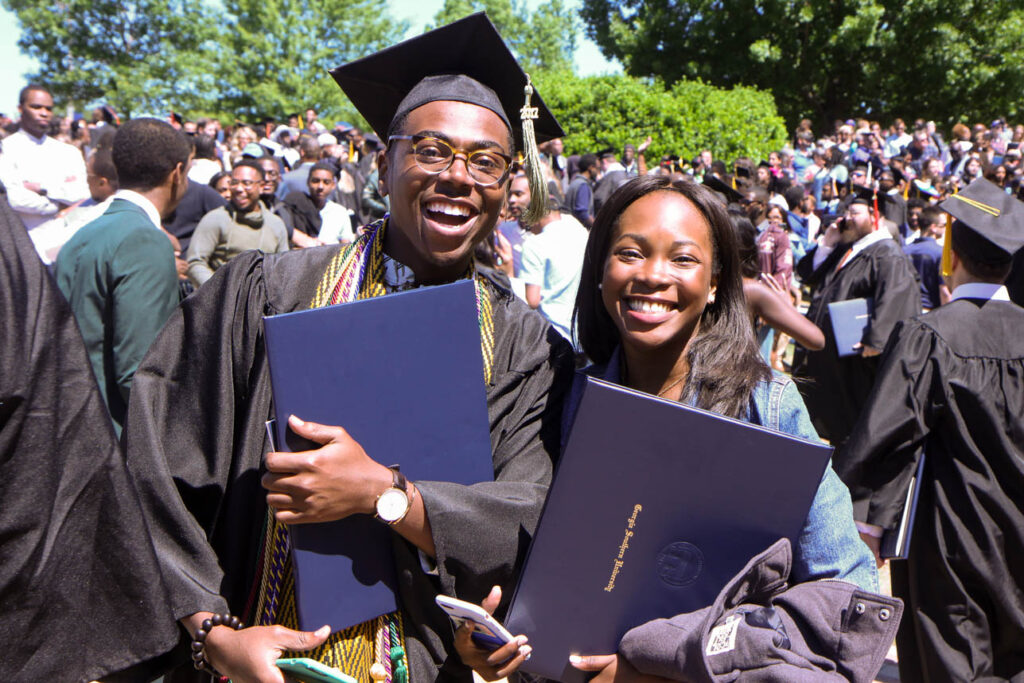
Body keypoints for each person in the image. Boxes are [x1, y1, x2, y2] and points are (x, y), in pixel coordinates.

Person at [124, 14, 573, 682]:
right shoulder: (267, 290)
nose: (459, 177)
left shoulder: (523, 343)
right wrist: (212, 633)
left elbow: (532, 511)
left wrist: (388, 495)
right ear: (385, 160)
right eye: (431, 150)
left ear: (509, 186)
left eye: (486, 162)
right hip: (255, 657)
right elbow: (154, 462)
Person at [455, 175, 877, 681]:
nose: (653, 276)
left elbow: (848, 587)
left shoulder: (767, 406)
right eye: (630, 253)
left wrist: (662, 666)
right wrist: (488, 633)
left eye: (682, 259)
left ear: (716, 281)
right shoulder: (563, 398)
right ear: (601, 271)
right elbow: (527, 554)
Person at [835, 179, 1024, 682]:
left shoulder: (931, 335)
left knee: (952, 662)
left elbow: (887, 437)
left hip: (951, 541)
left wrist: (863, 528)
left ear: (951, 253)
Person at [55, 118, 188, 434]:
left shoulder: (82, 235)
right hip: (114, 438)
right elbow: (141, 374)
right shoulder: (144, 240)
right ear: (177, 173)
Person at [791, 196, 920, 448]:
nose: (847, 217)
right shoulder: (849, 248)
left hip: (853, 363)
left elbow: (895, 296)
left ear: (876, 215)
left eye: (855, 212)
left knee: (844, 429)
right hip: (825, 356)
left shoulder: (887, 253)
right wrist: (827, 244)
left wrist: (877, 340)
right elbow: (809, 275)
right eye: (847, 212)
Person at [0, 84, 89, 256]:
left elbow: (82, 195)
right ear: (20, 108)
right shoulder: (7, 150)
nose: (44, 113)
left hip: (66, 245)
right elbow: (15, 199)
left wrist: (43, 188)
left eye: (48, 108)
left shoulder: (68, 152)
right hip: (25, 246)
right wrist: (59, 206)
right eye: (36, 107)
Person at [186, 159, 289, 286]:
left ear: (261, 187)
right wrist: (219, 290)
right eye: (234, 183)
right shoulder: (216, 219)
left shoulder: (276, 224)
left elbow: (283, 269)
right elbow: (195, 262)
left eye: (247, 183)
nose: (239, 189)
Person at [515, 174, 588, 342]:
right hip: (584, 330)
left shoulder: (534, 244)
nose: (529, 229)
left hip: (553, 333)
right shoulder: (578, 229)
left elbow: (532, 300)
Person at [566, 153, 598, 228]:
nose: (598, 171)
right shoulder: (583, 186)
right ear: (591, 168)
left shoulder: (575, 182)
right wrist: (597, 228)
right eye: (597, 168)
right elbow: (582, 213)